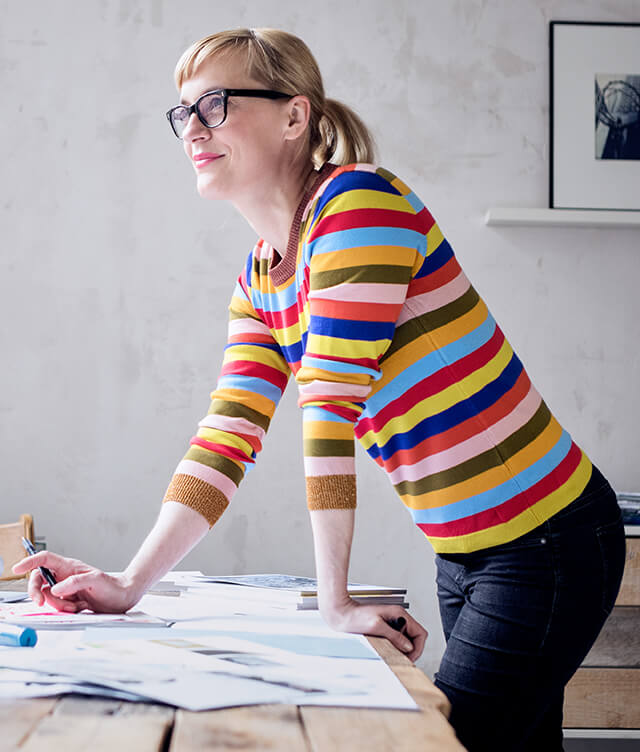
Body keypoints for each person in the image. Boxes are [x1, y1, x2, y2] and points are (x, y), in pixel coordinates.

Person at [15, 28, 626, 751]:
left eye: (213, 103)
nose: (193, 131)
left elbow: (329, 405)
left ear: (294, 116)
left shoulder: (359, 206)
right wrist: (129, 582)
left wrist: (335, 604)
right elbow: (226, 437)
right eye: (184, 113)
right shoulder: (260, 278)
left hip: (547, 539)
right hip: (464, 553)